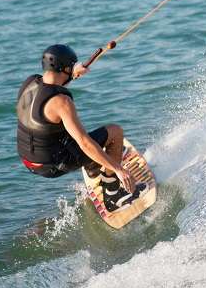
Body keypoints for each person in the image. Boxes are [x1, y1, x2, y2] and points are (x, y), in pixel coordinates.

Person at [16, 44, 136, 212]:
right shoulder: (62, 103)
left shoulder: (30, 82)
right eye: (71, 66)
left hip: (27, 158)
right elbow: (84, 143)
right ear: (64, 69)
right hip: (51, 165)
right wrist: (119, 169)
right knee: (114, 132)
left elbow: (50, 90)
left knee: (66, 128)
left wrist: (72, 73)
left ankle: (94, 167)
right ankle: (113, 195)